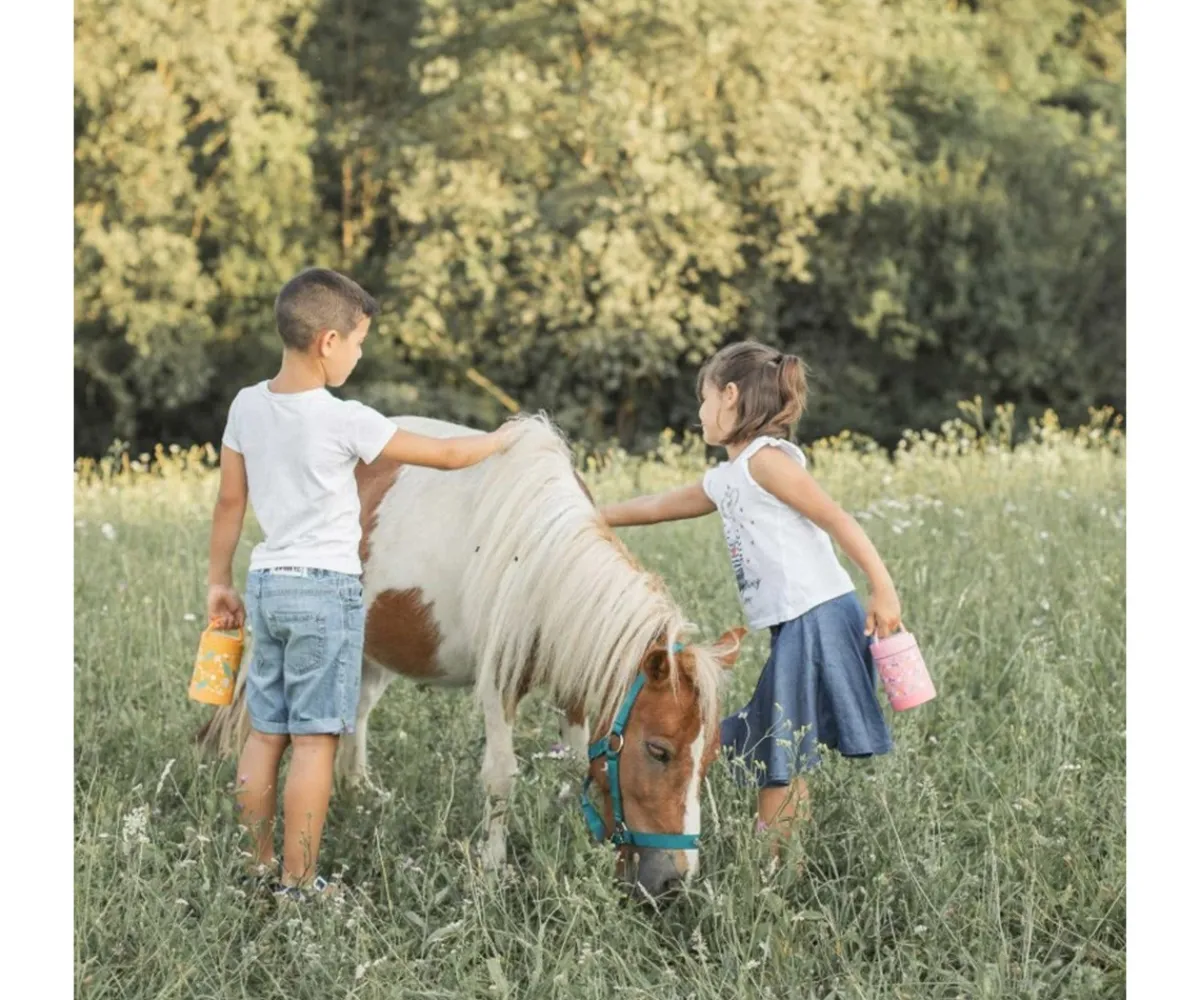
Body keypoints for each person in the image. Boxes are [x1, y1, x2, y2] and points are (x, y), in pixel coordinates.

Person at [206, 267, 513, 899]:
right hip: (324, 592)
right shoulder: (345, 420)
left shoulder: (245, 406)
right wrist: (507, 438)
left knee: (266, 733)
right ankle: (298, 884)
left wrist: (219, 581)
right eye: (358, 341)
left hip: (267, 585)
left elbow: (229, 504)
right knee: (317, 742)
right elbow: (450, 455)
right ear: (326, 342)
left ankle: (258, 865)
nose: (360, 353)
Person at [599, 341, 899, 859]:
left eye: (704, 399)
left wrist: (882, 586)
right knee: (776, 743)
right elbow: (657, 506)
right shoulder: (726, 478)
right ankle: (779, 862)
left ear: (730, 396)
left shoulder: (767, 462)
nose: (699, 413)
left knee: (780, 750)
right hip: (796, 622)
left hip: (819, 615)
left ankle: (770, 872)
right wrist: (592, 516)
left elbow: (837, 518)